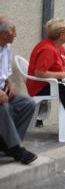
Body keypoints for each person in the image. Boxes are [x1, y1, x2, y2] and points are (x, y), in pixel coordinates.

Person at [0, 16, 37, 164]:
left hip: (3, 90)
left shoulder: (7, 47)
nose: (15, 35)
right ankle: (16, 150)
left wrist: (9, 84)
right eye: (13, 31)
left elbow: (4, 73)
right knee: (3, 109)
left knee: (28, 103)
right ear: (3, 33)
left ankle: (8, 144)